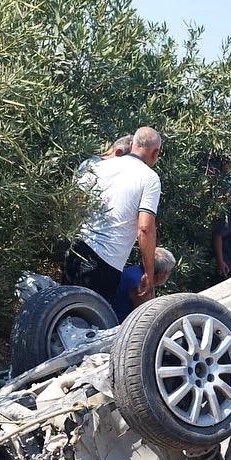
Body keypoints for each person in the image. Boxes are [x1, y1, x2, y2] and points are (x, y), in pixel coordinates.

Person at [65, 126, 163, 303]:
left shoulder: (99, 165)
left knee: (64, 313)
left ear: (132, 144)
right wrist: (148, 273)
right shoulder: (149, 178)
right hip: (106, 262)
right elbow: (145, 228)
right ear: (155, 153)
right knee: (91, 322)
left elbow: (74, 203)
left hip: (77, 249)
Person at [110, 246, 176, 323]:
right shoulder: (141, 286)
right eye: (169, 271)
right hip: (116, 324)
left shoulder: (135, 271)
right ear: (161, 274)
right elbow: (145, 318)